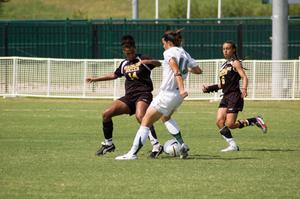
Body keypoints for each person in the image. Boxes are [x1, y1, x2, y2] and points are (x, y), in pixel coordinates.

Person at [115, 30, 202, 160]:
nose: (163, 46)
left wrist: (183, 88)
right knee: (165, 117)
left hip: (167, 94)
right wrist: (185, 72)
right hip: (177, 96)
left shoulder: (168, 52)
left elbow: (176, 70)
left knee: (145, 121)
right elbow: (198, 70)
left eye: (163, 43)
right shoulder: (185, 53)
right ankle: (182, 144)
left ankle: (131, 154)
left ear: (168, 42)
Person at [86, 35, 163, 158]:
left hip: (143, 94)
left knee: (141, 116)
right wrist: (95, 79)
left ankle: (156, 146)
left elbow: (159, 64)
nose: (130, 54)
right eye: (127, 52)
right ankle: (108, 144)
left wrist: (150, 61)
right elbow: (114, 75)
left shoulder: (143, 59)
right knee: (106, 114)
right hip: (129, 97)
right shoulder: (124, 64)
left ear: (134, 48)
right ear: (124, 51)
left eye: (131, 51)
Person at [202, 40, 267, 152]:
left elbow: (244, 77)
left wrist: (244, 89)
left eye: (228, 48)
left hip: (234, 96)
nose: (225, 50)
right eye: (224, 49)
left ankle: (254, 120)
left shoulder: (235, 63)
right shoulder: (223, 65)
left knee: (230, 124)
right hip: (226, 96)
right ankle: (233, 145)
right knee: (219, 122)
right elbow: (223, 84)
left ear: (233, 50)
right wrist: (209, 88)